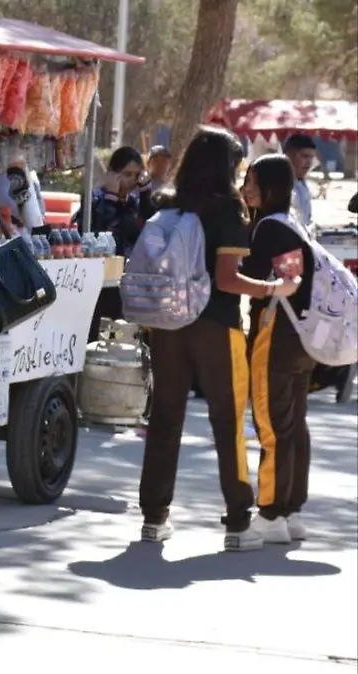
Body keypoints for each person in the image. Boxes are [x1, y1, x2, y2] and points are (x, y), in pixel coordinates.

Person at [137, 125, 298, 553]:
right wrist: (270, 289)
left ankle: (154, 518)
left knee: (165, 420)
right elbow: (227, 280)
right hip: (216, 328)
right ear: (227, 165)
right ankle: (238, 522)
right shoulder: (227, 210)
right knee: (228, 424)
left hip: (167, 326)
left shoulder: (169, 204)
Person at [238, 154, 313, 544]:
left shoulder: (266, 228)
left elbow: (246, 278)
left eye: (251, 181)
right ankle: (291, 510)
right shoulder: (293, 223)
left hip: (274, 335)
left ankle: (270, 514)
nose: (245, 188)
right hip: (303, 338)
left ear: (269, 186)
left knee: (271, 425)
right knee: (294, 425)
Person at [73, 146, 145, 344]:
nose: (132, 180)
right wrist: (111, 200)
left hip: (123, 283)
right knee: (95, 334)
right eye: (127, 174)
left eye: (136, 175)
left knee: (116, 335)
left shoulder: (134, 204)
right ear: (113, 174)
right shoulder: (95, 200)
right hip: (97, 282)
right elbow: (99, 234)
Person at [283, 133, 317, 236]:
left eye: (311, 157)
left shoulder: (303, 185)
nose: (309, 162)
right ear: (289, 155)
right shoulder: (279, 185)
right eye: (305, 156)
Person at [139, 145, 173, 222]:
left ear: (169, 164)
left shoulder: (173, 187)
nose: (160, 164)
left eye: (164, 161)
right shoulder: (143, 185)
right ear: (148, 164)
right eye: (156, 160)